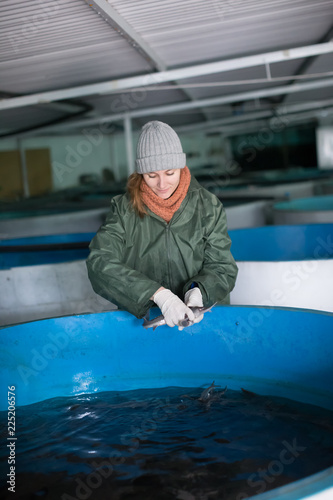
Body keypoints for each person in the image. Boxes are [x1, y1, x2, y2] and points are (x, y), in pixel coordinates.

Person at [86, 121, 238, 329]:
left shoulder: (207, 206)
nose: (162, 184)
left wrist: (199, 292)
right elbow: (100, 262)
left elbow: (223, 266)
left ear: (181, 167)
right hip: (149, 320)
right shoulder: (123, 210)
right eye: (151, 175)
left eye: (169, 173)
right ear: (141, 174)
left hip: (203, 323)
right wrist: (159, 296)